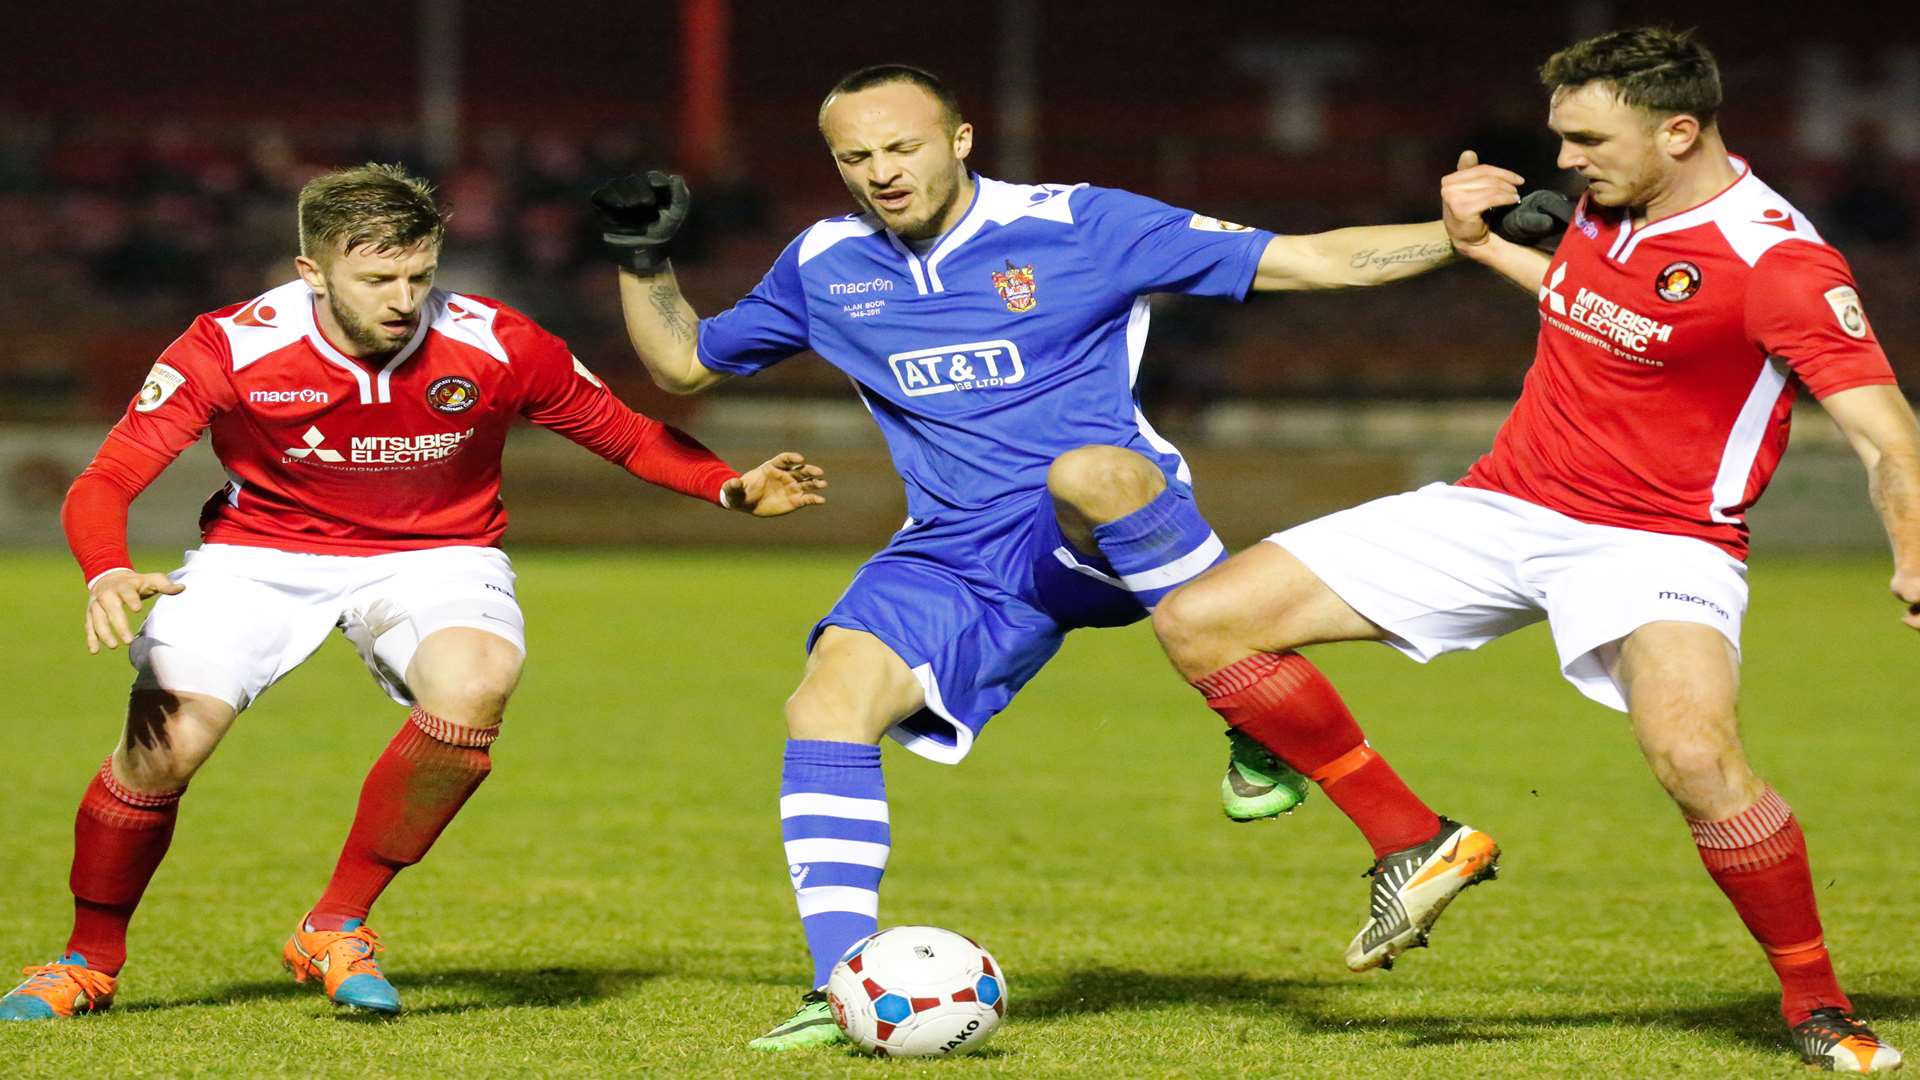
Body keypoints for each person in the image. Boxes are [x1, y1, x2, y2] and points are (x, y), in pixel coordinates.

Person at [592, 63, 1498, 1050]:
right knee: (825, 700)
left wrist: (1455, 239)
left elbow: (1308, 262)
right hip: (952, 551)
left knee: (1088, 471)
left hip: (1107, 524)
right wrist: (643, 258)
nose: (882, 173)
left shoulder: (1079, 226)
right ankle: (838, 986)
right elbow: (686, 363)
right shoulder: (826, 265)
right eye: (857, 157)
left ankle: (1339, 772)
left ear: (962, 139)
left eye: (904, 147)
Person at [1156, 28, 1912, 1073]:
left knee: (1696, 759)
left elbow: (1891, 436)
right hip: (1504, 503)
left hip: (1660, 537)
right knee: (1202, 619)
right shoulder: (1608, 207)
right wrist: (1483, 246)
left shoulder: (1779, 262)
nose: (1565, 162)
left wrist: (1913, 554)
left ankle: (1817, 1005)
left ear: (1679, 131)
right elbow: (1600, 306)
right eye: (1561, 139)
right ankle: (1413, 839)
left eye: (1587, 139)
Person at [0, 163, 826, 1021]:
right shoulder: (229, 344)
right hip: (259, 554)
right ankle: (87, 960)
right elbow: (106, 479)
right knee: (164, 748)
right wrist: (105, 566)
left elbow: (621, 430)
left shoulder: (496, 340)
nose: (404, 297)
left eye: (419, 275)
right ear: (311, 272)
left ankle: (336, 924)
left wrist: (728, 486)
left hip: (439, 551)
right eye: (377, 278)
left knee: (476, 683)